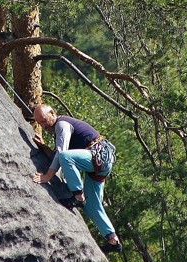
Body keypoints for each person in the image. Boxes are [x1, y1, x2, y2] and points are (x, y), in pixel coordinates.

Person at [32, 104, 122, 254]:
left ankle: (78, 197)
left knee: (65, 157)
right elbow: (57, 157)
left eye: (44, 119)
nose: (43, 124)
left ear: (53, 113)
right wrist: (43, 146)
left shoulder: (62, 124)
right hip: (100, 163)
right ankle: (113, 241)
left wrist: (47, 176)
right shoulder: (59, 128)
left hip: (97, 156)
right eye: (40, 122)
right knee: (91, 205)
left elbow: (62, 154)